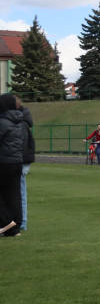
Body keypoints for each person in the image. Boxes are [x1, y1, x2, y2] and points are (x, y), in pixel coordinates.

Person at [0, 94, 24, 236]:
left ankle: (5, 221)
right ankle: (15, 227)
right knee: (13, 195)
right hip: (16, 161)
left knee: (10, 194)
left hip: (3, 161)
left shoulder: (3, 122)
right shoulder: (18, 121)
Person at [16, 97, 33, 232]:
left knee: (20, 192)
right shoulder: (24, 121)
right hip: (21, 160)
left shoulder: (20, 123)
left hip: (18, 161)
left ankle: (21, 222)